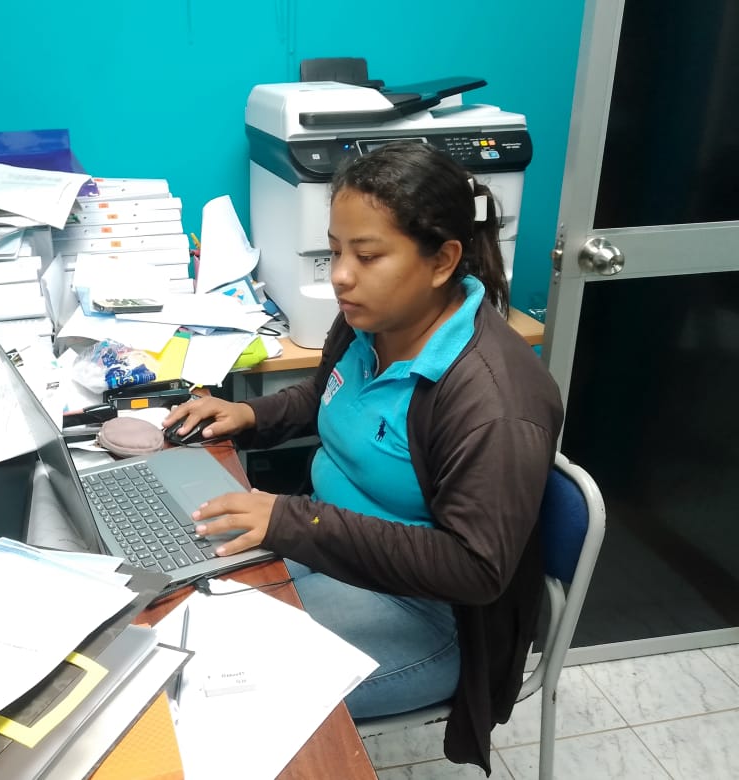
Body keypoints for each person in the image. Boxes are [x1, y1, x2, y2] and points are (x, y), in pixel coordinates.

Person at [161, 141, 563, 773]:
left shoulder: (493, 401)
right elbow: (328, 394)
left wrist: (294, 521)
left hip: (427, 612)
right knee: (173, 613)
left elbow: (475, 568)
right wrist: (252, 415)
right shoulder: (371, 318)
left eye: (367, 255)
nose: (341, 276)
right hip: (328, 549)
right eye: (335, 251)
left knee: (210, 698)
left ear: (442, 261)